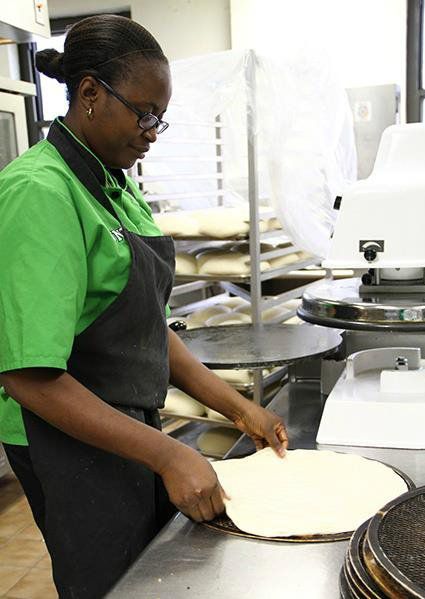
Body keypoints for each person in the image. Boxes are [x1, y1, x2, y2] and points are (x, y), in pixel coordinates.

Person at [0, 14, 288, 599]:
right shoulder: (41, 193)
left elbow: (145, 329)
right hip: (63, 437)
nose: (154, 130)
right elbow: (30, 376)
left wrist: (238, 408)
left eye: (161, 115)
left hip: (126, 420)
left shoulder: (115, 181)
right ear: (88, 93)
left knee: (151, 572)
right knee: (110, 584)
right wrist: (169, 456)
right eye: (144, 112)